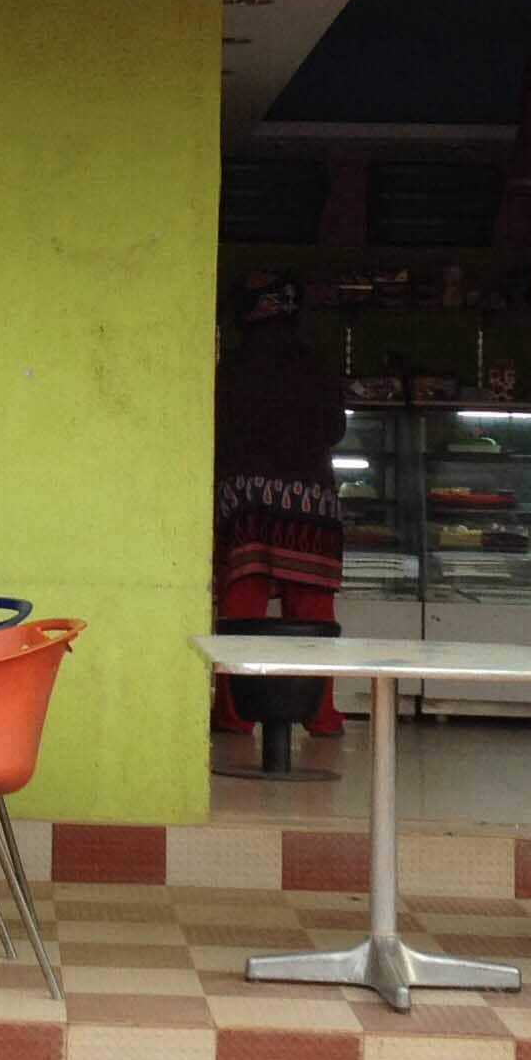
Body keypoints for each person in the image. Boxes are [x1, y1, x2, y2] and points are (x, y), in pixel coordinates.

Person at [210, 271, 348, 739]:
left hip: (245, 496)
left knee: (242, 604)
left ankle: (234, 713)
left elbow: (219, 426)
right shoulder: (315, 364)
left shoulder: (231, 367)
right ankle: (320, 714)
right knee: (311, 609)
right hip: (310, 497)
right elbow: (334, 430)